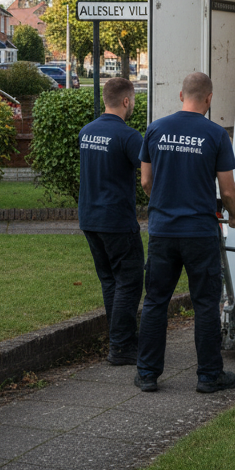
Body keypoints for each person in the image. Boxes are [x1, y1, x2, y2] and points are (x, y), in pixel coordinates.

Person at [134, 71, 235, 394]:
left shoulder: (155, 129)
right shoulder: (216, 135)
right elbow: (228, 190)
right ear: (209, 99)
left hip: (163, 232)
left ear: (181, 96)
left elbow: (145, 181)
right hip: (200, 232)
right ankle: (209, 376)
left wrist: (164, 204)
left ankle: (147, 374)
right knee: (205, 304)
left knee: (155, 301)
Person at [78, 77, 146, 366]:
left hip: (90, 219)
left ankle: (120, 340)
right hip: (117, 220)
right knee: (129, 281)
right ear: (126, 101)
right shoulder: (129, 136)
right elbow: (148, 175)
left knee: (110, 281)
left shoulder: (87, 132)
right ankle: (121, 347)